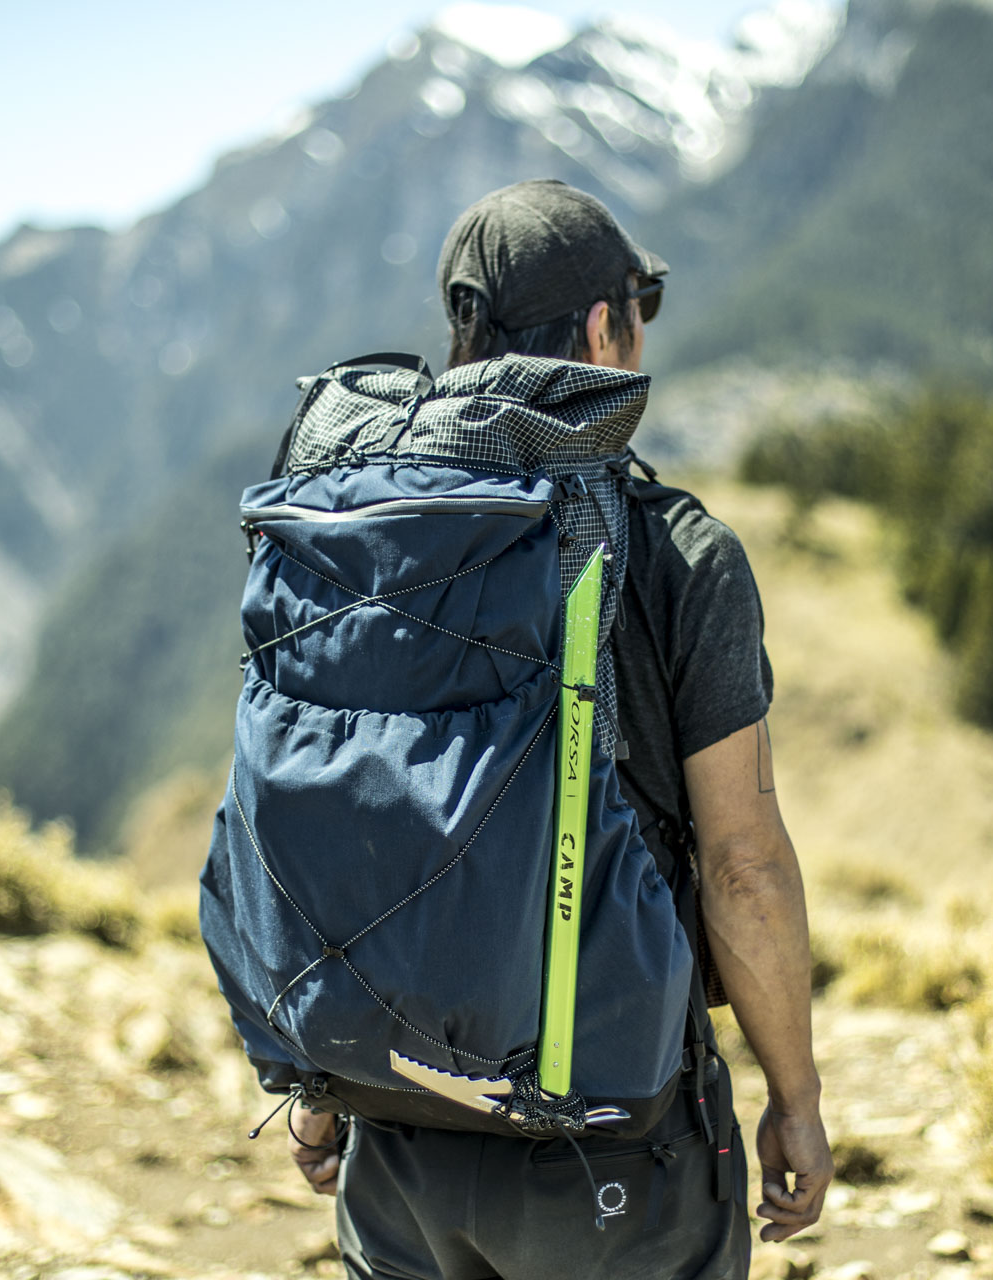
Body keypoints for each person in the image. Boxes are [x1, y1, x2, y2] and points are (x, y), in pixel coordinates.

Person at [287, 179, 832, 1279]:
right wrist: (795, 1092)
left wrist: (314, 1083)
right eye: (642, 304)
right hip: (617, 1142)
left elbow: (317, 805)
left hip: (395, 1129)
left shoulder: (373, 536)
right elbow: (739, 863)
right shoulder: (678, 552)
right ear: (603, 327)